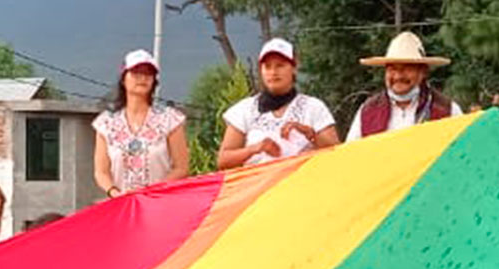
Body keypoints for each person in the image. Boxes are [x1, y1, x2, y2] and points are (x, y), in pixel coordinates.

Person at [218, 38, 340, 170]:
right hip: (258, 187)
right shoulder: (244, 110)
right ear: (261, 70)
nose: (273, 72)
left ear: (294, 68)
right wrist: (255, 148)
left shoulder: (314, 107)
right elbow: (224, 160)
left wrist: (309, 133)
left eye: (280, 65)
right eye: (267, 66)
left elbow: (337, 152)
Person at [93, 49, 188, 197]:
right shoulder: (106, 123)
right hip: (121, 205)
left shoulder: (170, 119)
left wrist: (152, 191)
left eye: (148, 74)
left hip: (161, 203)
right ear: (124, 79)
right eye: (136, 73)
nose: (142, 78)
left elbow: (181, 168)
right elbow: (101, 171)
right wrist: (114, 192)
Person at [346, 31, 461, 141]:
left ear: (423, 72)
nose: (398, 76)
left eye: (407, 69)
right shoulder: (367, 111)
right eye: (392, 69)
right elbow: (350, 155)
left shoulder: (448, 110)